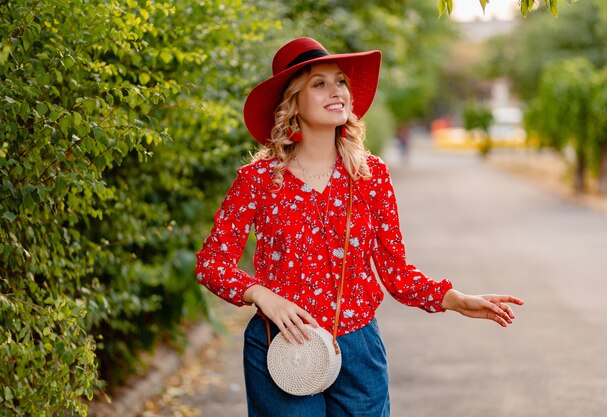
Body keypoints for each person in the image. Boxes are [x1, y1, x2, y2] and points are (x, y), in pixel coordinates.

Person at [195, 37, 523, 417]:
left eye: (341, 82)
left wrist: (456, 300)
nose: (336, 92)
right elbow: (211, 263)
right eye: (319, 84)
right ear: (292, 103)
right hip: (281, 346)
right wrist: (262, 296)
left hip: (359, 350)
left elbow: (395, 271)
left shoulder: (370, 176)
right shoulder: (258, 181)